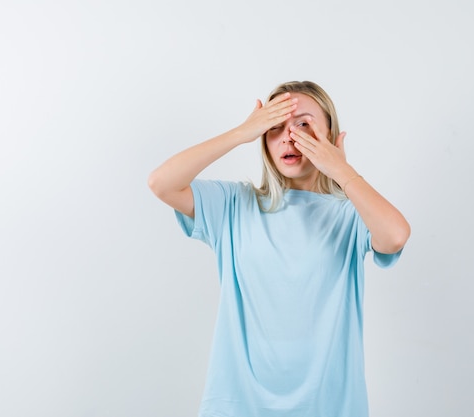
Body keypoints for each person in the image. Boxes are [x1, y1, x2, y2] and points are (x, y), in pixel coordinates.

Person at [148, 80, 411, 417]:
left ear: (331, 137)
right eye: (274, 126)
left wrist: (341, 169)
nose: (288, 137)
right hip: (237, 406)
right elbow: (161, 182)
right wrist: (241, 132)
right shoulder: (233, 205)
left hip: (329, 408)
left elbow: (396, 235)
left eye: (303, 125)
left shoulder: (352, 214)